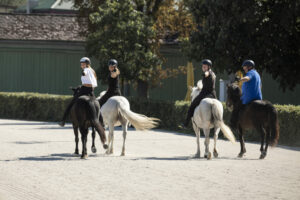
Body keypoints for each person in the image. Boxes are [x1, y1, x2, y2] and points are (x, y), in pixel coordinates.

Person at [59, 57, 98, 127]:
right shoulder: (93, 71)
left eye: (83, 64)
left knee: (71, 103)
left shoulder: (86, 70)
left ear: (87, 64)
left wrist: (83, 73)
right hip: (91, 90)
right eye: (81, 64)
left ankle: (63, 120)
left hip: (84, 90)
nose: (81, 65)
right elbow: (94, 80)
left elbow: (85, 72)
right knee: (97, 105)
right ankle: (101, 122)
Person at [181, 59, 217, 128]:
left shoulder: (208, 72)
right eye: (202, 66)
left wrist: (205, 74)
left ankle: (186, 123)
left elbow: (207, 74)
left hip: (205, 93)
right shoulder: (213, 74)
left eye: (205, 66)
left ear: (209, 67)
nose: (203, 68)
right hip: (213, 94)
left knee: (192, 106)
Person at [98, 59, 121, 127]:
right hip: (117, 92)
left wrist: (113, 72)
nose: (110, 67)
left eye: (112, 66)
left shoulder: (114, 72)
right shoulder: (116, 72)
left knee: (99, 103)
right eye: (110, 66)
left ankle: (100, 121)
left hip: (111, 92)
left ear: (115, 66)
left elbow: (113, 76)